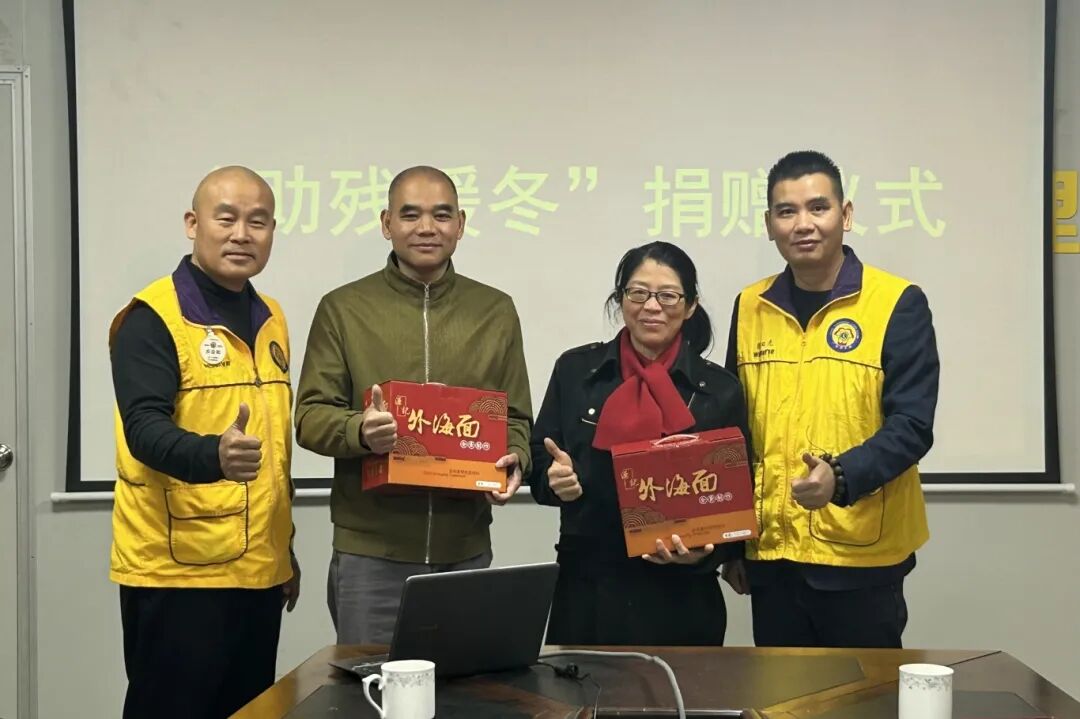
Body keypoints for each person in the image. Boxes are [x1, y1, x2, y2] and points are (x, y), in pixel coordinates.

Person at [294, 165, 532, 645]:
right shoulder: (343, 308)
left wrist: (515, 458)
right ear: (387, 224)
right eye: (410, 215)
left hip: (465, 549)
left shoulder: (495, 310)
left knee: (466, 685)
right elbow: (309, 416)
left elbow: (516, 418)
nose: (427, 228)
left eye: (441, 215)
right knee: (371, 685)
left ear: (460, 224)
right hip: (371, 553)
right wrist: (361, 430)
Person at [722, 150, 939, 649]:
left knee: (864, 691)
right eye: (787, 211)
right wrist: (733, 543)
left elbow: (912, 425)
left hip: (860, 556)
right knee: (777, 690)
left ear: (846, 215)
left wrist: (840, 476)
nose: (803, 224)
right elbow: (735, 431)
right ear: (769, 225)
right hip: (773, 557)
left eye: (818, 207)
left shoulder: (896, 302)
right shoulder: (751, 305)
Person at [108, 166, 300, 719]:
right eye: (227, 218)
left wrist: (283, 549)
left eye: (258, 222)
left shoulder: (271, 317)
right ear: (193, 224)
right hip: (178, 571)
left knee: (250, 712)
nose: (242, 234)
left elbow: (275, 451)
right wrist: (212, 455)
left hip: (257, 569)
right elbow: (143, 429)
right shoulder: (152, 317)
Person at [528, 241, 749, 645]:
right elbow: (540, 456)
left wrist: (706, 553)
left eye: (668, 295)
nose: (651, 306)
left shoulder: (720, 390)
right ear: (620, 299)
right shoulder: (576, 371)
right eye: (638, 293)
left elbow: (735, 498)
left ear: (691, 305)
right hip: (588, 589)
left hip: (682, 595)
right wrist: (552, 479)